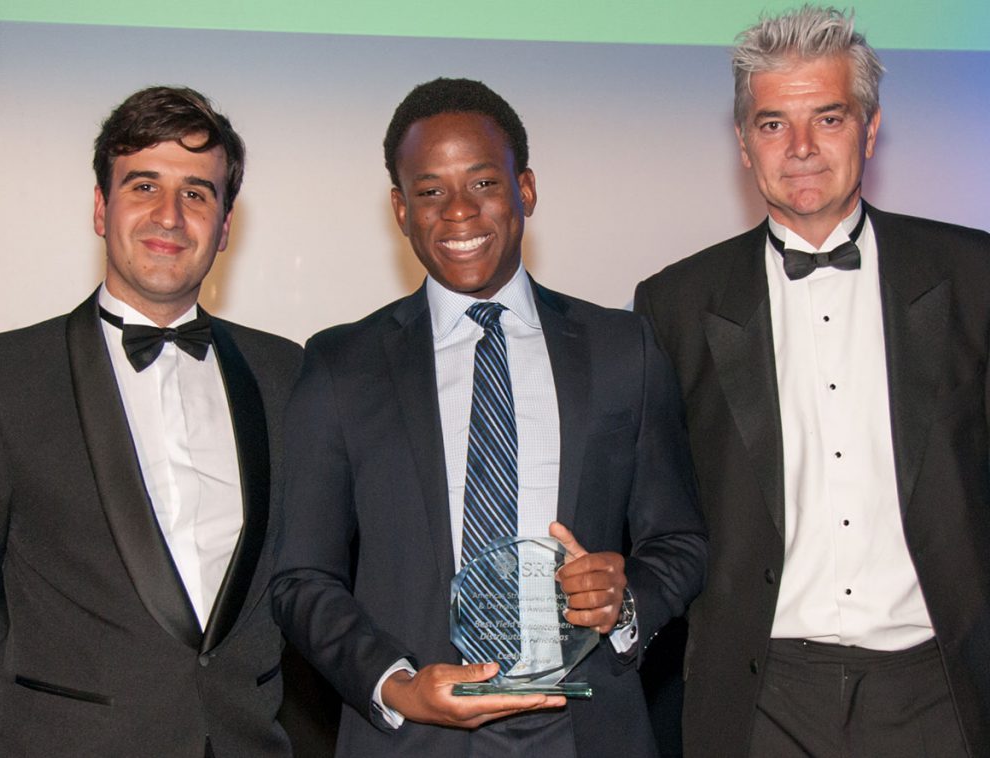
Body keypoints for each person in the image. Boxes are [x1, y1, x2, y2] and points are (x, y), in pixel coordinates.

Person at [273, 77, 706, 757]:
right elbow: (302, 579)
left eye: (483, 184)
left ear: (525, 190)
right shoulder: (340, 365)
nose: (458, 214)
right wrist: (396, 684)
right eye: (430, 191)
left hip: (588, 733)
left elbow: (679, 541)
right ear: (400, 209)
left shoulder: (625, 350)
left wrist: (624, 601)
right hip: (414, 736)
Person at [634, 7, 990, 757]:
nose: (800, 148)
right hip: (760, 693)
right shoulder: (674, 303)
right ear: (742, 142)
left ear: (868, 128)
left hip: (941, 687)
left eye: (827, 118)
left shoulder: (974, 276)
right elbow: (661, 512)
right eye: (772, 124)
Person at [0, 86, 304, 757]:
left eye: (197, 192)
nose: (169, 215)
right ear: (101, 207)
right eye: (143, 185)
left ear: (226, 225)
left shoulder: (286, 372)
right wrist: (14, 727)